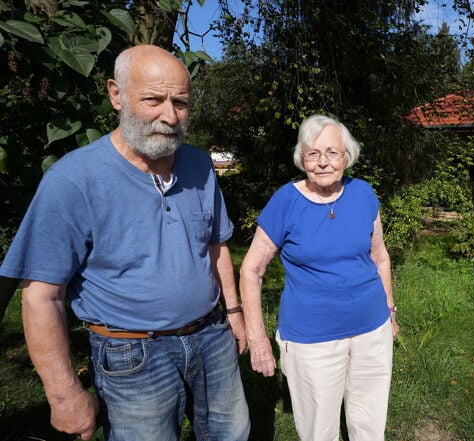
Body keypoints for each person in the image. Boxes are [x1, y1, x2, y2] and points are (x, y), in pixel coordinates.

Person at [0, 45, 250, 441]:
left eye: (181, 102)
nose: (169, 116)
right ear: (116, 94)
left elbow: (217, 246)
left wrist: (234, 314)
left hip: (211, 338)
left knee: (232, 435)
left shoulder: (200, 166)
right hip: (132, 355)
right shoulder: (73, 181)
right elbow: (40, 297)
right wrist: (63, 395)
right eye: (154, 99)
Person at [240, 114, 399, 441]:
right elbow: (251, 269)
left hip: (372, 329)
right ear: (302, 158)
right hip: (312, 339)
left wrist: (391, 312)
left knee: (370, 425)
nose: (323, 162)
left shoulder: (364, 194)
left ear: (346, 156)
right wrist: (257, 338)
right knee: (318, 432)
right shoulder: (286, 201)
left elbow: (379, 257)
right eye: (314, 153)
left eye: (332, 153)